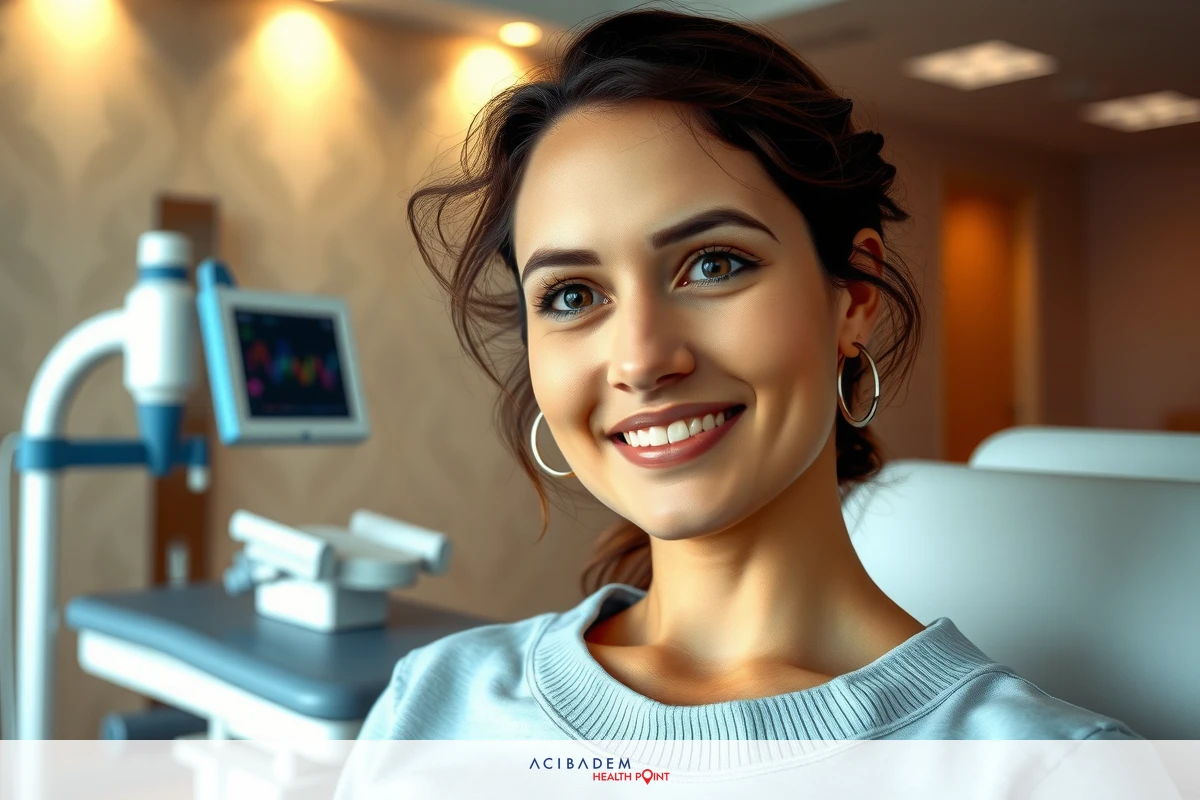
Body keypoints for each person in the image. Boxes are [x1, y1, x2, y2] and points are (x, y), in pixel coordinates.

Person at [359, 5, 1140, 742]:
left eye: (713, 264)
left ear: (853, 296)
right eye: (571, 295)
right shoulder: (432, 704)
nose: (641, 359)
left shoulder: (1056, 770)